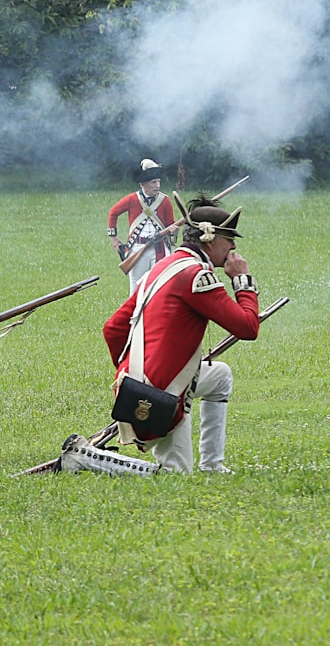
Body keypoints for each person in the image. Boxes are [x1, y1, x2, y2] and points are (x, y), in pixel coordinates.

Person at [90, 195, 259, 474]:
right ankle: (88, 458)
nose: (233, 246)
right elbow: (247, 328)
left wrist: (132, 376)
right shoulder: (196, 276)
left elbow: (113, 330)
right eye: (228, 238)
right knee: (176, 476)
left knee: (220, 376)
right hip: (162, 391)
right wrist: (242, 281)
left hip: (141, 381)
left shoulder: (165, 265)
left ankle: (212, 465)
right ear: (209, 238)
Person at [109, 158, 176, 292]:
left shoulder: (165, 200)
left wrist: (173, 230)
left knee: (161, 288)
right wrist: (114, 239)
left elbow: (170, 224)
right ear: (143, 184)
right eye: (153, 182)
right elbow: (113, 213)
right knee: (136, 289)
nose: (157, 185)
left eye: (158, 182)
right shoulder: (132, 199)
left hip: (160, 247)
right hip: (138, 247)